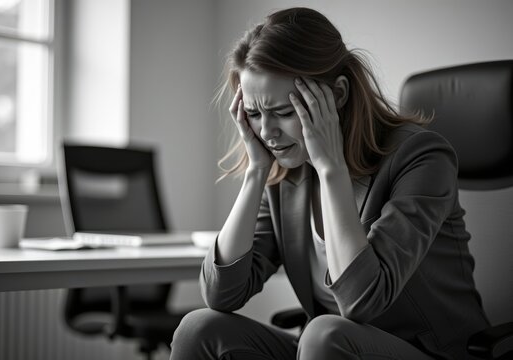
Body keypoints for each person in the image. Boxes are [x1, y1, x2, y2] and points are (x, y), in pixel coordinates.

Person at [171, 7, 489, 360]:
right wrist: (256, 173)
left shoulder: (421, 156)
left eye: (284, 112)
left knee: (324, 334)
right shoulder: (285, 171)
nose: (266, 132)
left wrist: (331, 169)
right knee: (199, 328)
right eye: (255, 114)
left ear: (337, 95)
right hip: (326, 349)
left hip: (425, 352)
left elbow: (361, 302)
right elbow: (221, 294)